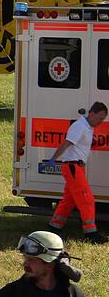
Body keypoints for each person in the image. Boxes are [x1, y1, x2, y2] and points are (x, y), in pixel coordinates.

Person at [45, 102, 109, 244]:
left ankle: (53, 227)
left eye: (103, 119)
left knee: (69, 200)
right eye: (99, 118)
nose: (100, 122)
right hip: (73, 167)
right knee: (87, 200)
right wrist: (53, 159)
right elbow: (67, 143)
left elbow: (81, 143)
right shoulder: (79, 126)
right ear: (91, 114)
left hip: (75, 167)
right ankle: (90, 233)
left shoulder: (87, 126)